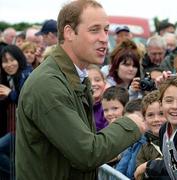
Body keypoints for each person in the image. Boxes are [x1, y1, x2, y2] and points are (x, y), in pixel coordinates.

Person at [15, 1, 145, 179]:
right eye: (94, 30)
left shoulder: (73, 76)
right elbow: (87, 153)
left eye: (106, 30)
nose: (104, 38)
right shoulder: (48, 84)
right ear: (69, 33)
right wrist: (131, 123)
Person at [0, 45, 32, 178]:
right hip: (15, 130)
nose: (9, 64)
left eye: (12, 60)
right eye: (5, 61)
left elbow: (28, 103)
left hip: (24, 132)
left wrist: (10, 94)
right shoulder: (10, 78)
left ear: (19, 59)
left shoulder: (27, 75)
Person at [134, 90, 167, 180]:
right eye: (150, 115)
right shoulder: (145, 148)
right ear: (144, 119)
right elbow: (138, 175)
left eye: (161, 114)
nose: (156, 119)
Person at [86, 64, 109, 131]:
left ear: (104, 83)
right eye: (88, 81)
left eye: (97, 80)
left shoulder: (110, 105)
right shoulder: (78, 105)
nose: (93, 84)